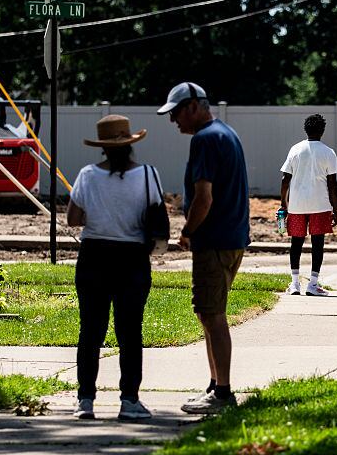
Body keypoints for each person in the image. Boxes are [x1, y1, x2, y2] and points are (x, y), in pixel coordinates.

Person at [159, 82, 250, 413]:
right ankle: (215, 386)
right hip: (230, 237)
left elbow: (204, 196)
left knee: (213, 315)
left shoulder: (205, 139)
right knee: (207, 312)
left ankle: (223, 394)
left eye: (177, 113)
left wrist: (187, 231)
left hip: (214, 239)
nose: (174, 122)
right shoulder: (225, 133)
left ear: (194, 106)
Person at [67, 115, 159, 421]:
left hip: (93, 256)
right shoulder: (147, 175)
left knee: (91, 330)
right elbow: (156, 216)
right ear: (131, 144)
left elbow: (73, 219)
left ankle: (86, 399)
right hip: (132, 258)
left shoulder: (87, 175)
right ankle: (129, 399)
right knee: (130, 331)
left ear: (103, 148)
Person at [280, 114, 337, 296]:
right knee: (317, 244)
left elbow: (285, 179)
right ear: (322, 130)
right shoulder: (328, 152)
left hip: (296, 205)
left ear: (305, 129)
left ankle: (295, 284)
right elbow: (332, 184)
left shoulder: (295, 149)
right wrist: (335, 209)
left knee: (296, 243)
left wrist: (284, 204)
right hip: (320, 205)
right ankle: (313, 285)